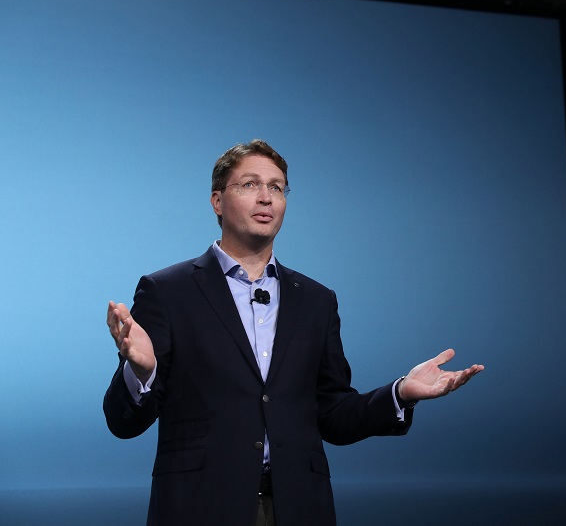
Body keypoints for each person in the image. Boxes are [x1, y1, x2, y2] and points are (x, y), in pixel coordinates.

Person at [103, 139, 484, 526]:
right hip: (199, 506)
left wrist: (399, 393)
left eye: (277, 187)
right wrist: (142, 371)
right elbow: (123, 423)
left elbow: (333, 414)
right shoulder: (168, 291)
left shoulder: (316, 300)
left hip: (299, 506)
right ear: (217, 201)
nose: (266, 197)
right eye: (250, 184)